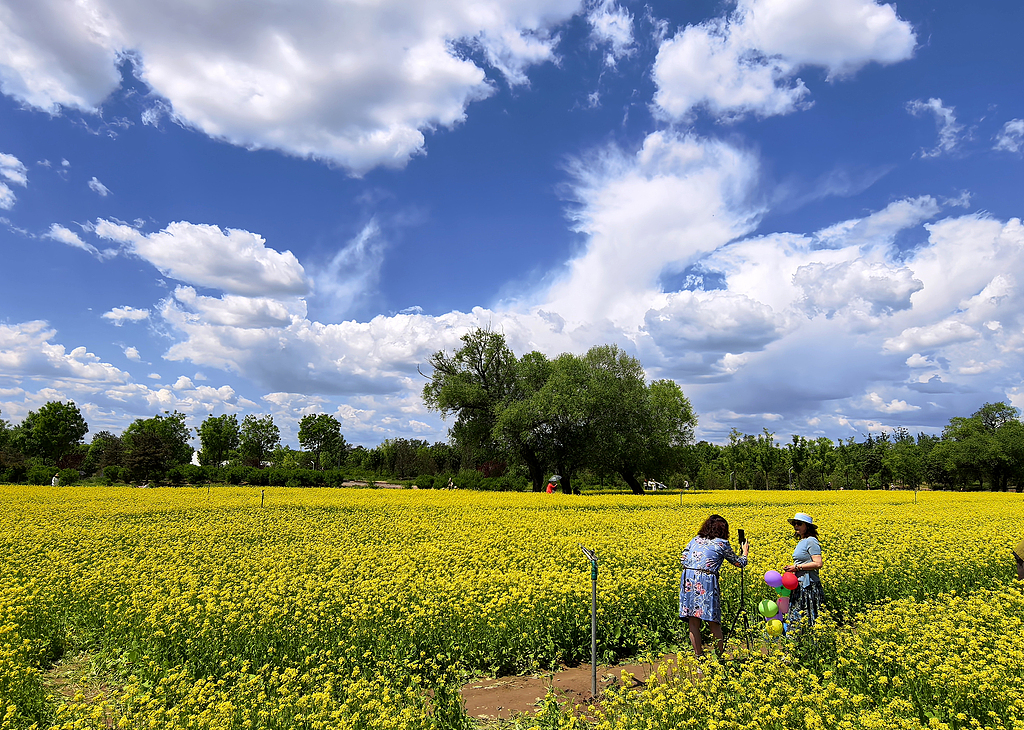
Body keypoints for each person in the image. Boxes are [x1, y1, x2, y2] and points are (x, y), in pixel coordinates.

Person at [679, 514, 749, 658]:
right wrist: (745, 552)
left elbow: (683, 558)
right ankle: (719, 657)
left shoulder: (695, 539)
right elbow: (739, 563)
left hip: (688, 578)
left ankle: (699, 657)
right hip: (706, 580)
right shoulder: (722, 543)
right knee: (713, 620)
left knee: (693, 620)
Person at [784, 512, 825, 628]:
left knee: (809, 620)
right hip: (799, 585)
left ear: (807, 526)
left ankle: (812, 643)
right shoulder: (802, 541)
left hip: (809, 587)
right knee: (797, 619)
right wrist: (793, 569)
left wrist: (797, 567)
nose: (796, 526)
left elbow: (818, 563)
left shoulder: (811, 541)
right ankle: (796, 643)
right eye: (794, 524)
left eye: (799, 524)